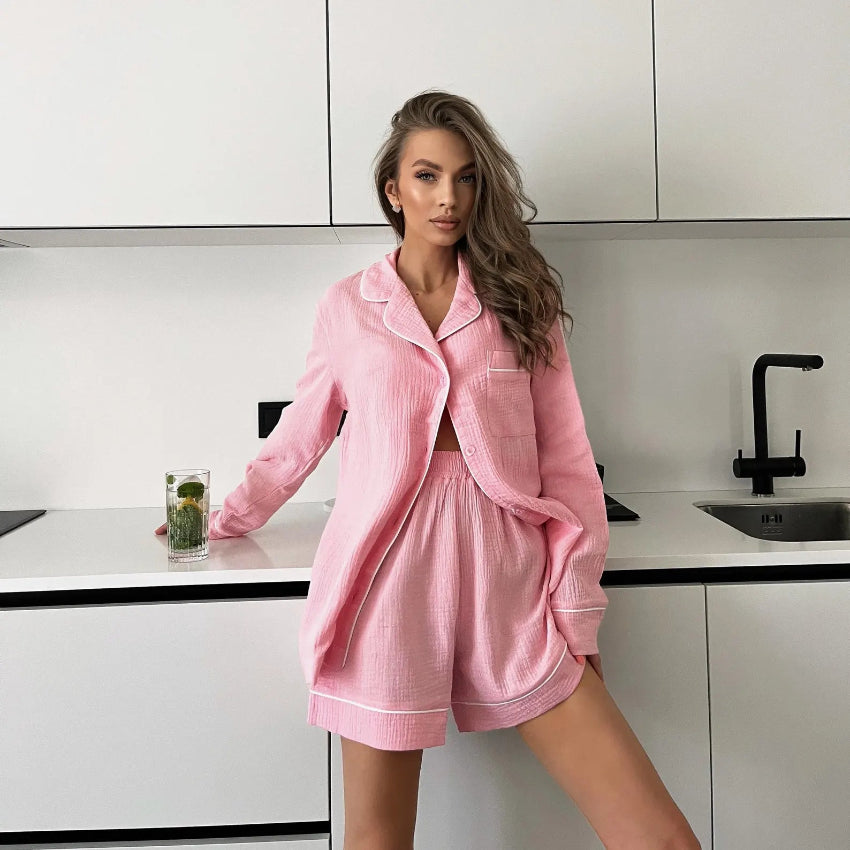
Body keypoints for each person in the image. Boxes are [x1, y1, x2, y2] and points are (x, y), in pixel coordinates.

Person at [155, 90, 699, 850]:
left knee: (661, 839)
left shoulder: (522, 299)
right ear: (393, 190)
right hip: (386, 581)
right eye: (427, 176)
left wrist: (575, 611)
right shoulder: (349, 307)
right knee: (378, 844)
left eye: (467, 178)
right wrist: (223, 518)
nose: (449, 197)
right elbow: (300, 435)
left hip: (510, 580)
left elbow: (568, 461)